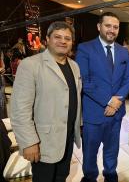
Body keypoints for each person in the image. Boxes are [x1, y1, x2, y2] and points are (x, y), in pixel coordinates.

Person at [10, 21, 82, 182]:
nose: (63, 41)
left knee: (61, 177)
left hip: (67, 138)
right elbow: (19, 109)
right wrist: (29, 142)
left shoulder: (75, 66)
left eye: (67, 38)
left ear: (72, 43)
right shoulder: (31, 65)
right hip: (43, 141)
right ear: (47, 39)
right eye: (57, 37)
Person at [76, 12, 129, 182]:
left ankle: (110, 176)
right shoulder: (85, 48)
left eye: (115, 27)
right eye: (108, 26)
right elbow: (84, 81)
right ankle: (90, 178)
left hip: (115, 115)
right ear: (99, 27)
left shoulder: (123, 52)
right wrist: (110, 101)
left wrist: (117, 100)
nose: (112, 30)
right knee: (90, 154)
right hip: (94, 114)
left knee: (111, 152)